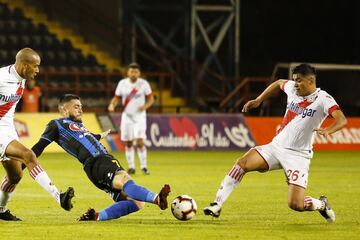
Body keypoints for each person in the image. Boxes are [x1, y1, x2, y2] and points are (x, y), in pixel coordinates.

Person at [203, 63, 347, 223]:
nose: (295, 84)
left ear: (310, 81)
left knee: (296, 204)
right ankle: (217, 204)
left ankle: (321, 204)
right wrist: (258, 100)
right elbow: (278, 83)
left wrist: (328, 130)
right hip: (276, 147)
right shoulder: (292, 88)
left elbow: (341, 120)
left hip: (298, 156)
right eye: (294, 80)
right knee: (242, 163)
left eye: (299, 80)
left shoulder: (323, 99)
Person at [32, 94, 170, 221]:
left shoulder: (78, 126)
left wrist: (100, 135)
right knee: (124, 179)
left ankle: (96, 216)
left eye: (81, 107)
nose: (80, 110)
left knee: (137, 203)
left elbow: (89, 137)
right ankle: (158, 199)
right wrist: (25, 159)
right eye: (76, 107)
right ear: (63, 110)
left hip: (96, 167)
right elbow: (39, 146)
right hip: (98, 161)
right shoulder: (56, 124)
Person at [0, 48, 74, 221]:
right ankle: (59, 196)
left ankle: (1, 210)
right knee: (28, 155)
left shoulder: (22, 79)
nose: (38, 70)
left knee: (16, 175)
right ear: (25, 65)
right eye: (35, 66)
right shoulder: (2, 78)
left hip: (8, 130)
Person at [108, 63, 154, 175]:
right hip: (127, 116)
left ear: (139, 73)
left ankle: (144, 167)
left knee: (139, 141)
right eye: (132, 71)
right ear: (128, 72)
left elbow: (151, 99)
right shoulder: (122, 83)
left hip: (140, 116)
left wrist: (145, 107)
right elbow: (117, 97)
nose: (134, 74)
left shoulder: (143, 84)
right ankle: (131, 167)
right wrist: (112, 104)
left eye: (136, 72)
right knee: (128, 142)